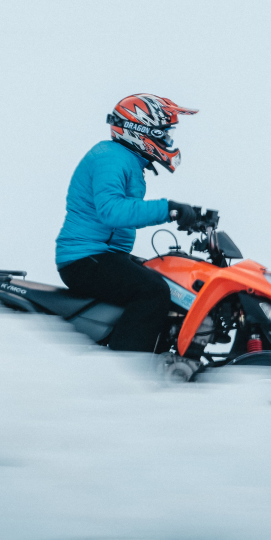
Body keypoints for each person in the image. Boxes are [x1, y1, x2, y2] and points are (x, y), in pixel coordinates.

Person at [56, 94, 204, 354]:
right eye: (162, 134)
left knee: (170, 280)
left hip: (104, 255)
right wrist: (169, 210)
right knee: (153, 291)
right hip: (85, 259)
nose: (167, 140)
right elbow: (111, 211)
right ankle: (126, 369)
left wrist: (196, 218)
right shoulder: (111, 158)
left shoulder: (126, 160)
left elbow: (123, 214)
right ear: (140, 130)